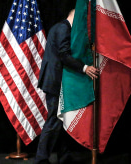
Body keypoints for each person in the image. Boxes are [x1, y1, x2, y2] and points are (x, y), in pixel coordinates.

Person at [35, 9, 98, 164]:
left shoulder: (58, 27)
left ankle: (64, 156)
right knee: (54, 121)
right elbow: (64, 55)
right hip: (55, 81)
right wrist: (85, 68)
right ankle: (41, 159)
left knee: (62, 121)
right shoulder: (64, 28)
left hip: (54, 80)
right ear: (75, 17)